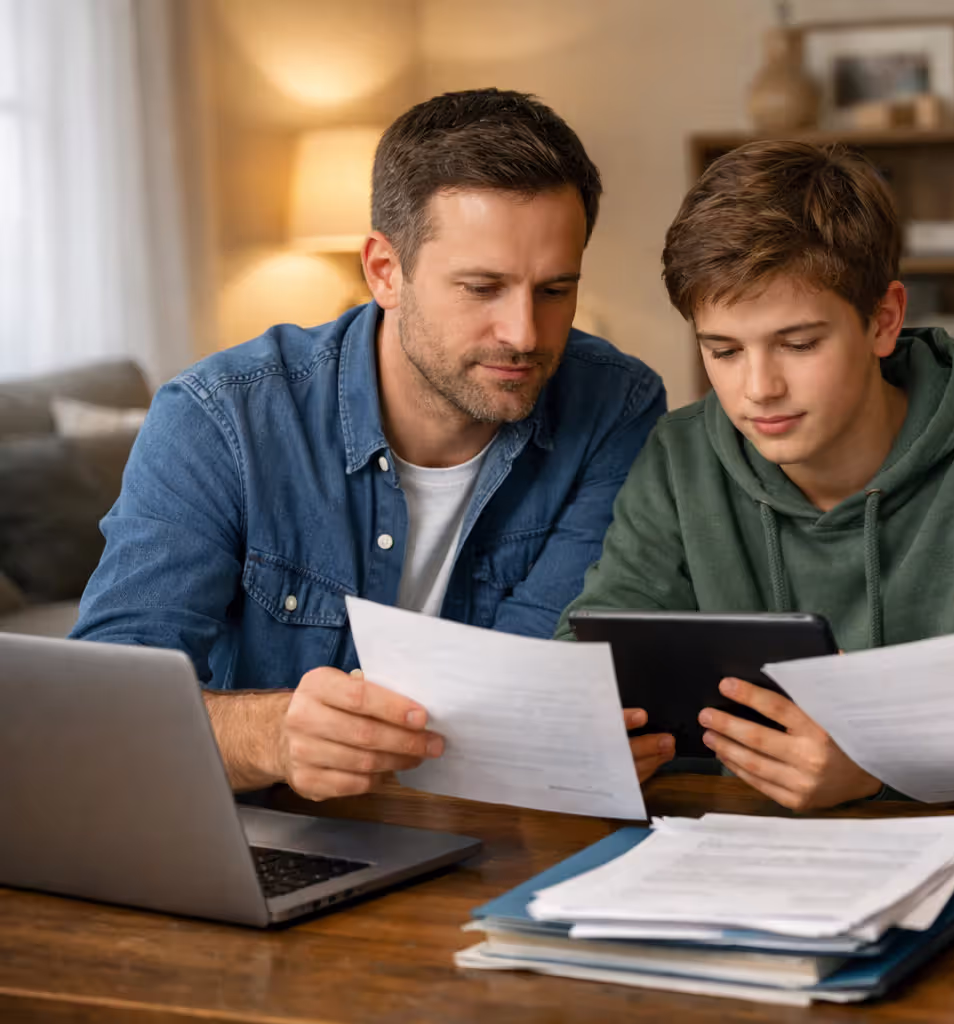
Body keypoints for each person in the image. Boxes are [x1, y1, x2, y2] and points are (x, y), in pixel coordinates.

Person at [72, 89, 666, 803]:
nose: (525, 334)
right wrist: (272, 735)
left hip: (485, 837)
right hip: (264, 840)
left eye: (554, 290)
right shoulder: (219, 418)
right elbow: (106, 712)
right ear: (384, 271)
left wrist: (562, 742)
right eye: (482, 288)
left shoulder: (616, 407)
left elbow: (531, 683)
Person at [556, 140, 954, 810]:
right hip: (729, 861)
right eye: (723, 350)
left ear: (884, 320)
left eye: (799, 344)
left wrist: (878, 767)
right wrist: (591, 733)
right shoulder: (679, 457)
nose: (759, 388)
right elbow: (585, 657)